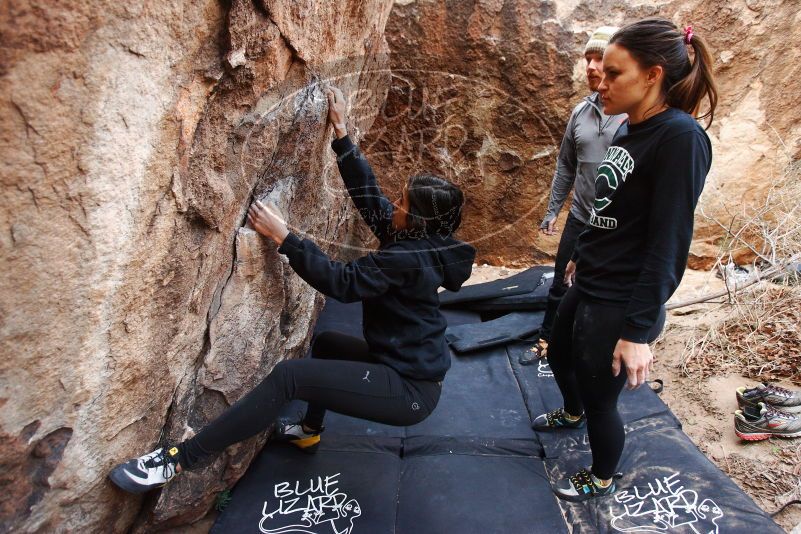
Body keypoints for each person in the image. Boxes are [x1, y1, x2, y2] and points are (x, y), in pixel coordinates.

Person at [109, 86, 476, 494]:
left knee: (290, 377)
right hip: (400, 364)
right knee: (331, 342)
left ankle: (179, 461)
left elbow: (342, 284)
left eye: (403, 202)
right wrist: (341, 133)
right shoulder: (421, 241)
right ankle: (308, 430)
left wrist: (286, 238)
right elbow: (369, 197)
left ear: (419, 220)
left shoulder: (406, 257)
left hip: (408, 391)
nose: (394, 204)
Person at [532, 18, 717, 501]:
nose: (601, 80)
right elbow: (608, 208)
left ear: (652, 75)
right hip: (593, 277)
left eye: (615, 73)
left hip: (621, 297)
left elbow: (670, 241)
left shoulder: (679, 138)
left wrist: (636, 332)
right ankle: (569, 413)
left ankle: (600, 476)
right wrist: (582, 255)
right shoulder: (630, 127)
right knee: (561, 354)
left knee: (600, 396)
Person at [521, 26, 626, 365]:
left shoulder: (632, 118)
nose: (592, 67)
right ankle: (547, 341)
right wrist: (553, 210)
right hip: (579, 218)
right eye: (588, 59)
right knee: (559, 284)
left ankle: (602, 347)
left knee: (604, 290)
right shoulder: (581, 112)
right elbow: (566, 165)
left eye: (601, 60)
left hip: (615, 227)